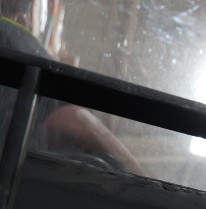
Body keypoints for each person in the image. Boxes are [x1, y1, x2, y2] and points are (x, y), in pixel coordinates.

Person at [0, 0, 143, 174]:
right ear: (24, 19)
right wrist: (145, 184)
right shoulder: (29, 51)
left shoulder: (22, 45)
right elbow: (71, 118)